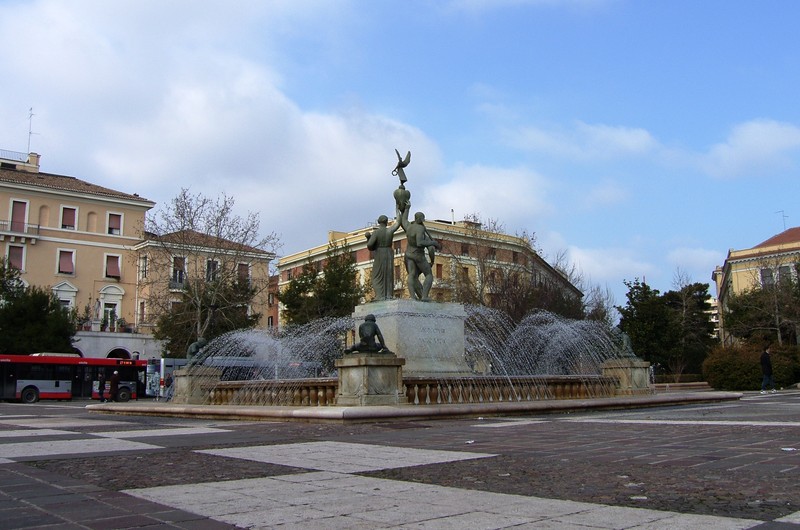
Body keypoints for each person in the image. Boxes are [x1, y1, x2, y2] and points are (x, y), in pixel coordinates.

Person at [398, 206, 441, 301]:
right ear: (420, 219)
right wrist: (433, 243)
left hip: (408, 254)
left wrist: (407, 208)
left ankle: (413, 297)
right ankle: (424, 296)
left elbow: (403, 219)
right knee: (429, 275)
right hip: (418, 255)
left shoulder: (408, 226)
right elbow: (420, 243)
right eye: (423, 218)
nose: (424, 220)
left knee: (412, 274)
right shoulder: (420, 229)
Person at [366, 212, 403, 300]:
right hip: (389, 253)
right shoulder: (390, 230)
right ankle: (388, 295)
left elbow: (370, 246)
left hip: (379, 253)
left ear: (379, 222)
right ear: (386, 222)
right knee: (388, 275)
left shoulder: (376, 232)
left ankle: (379, 295)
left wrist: (368, 238)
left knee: (376, 276)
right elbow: (398, 223)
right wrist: (399, 210)